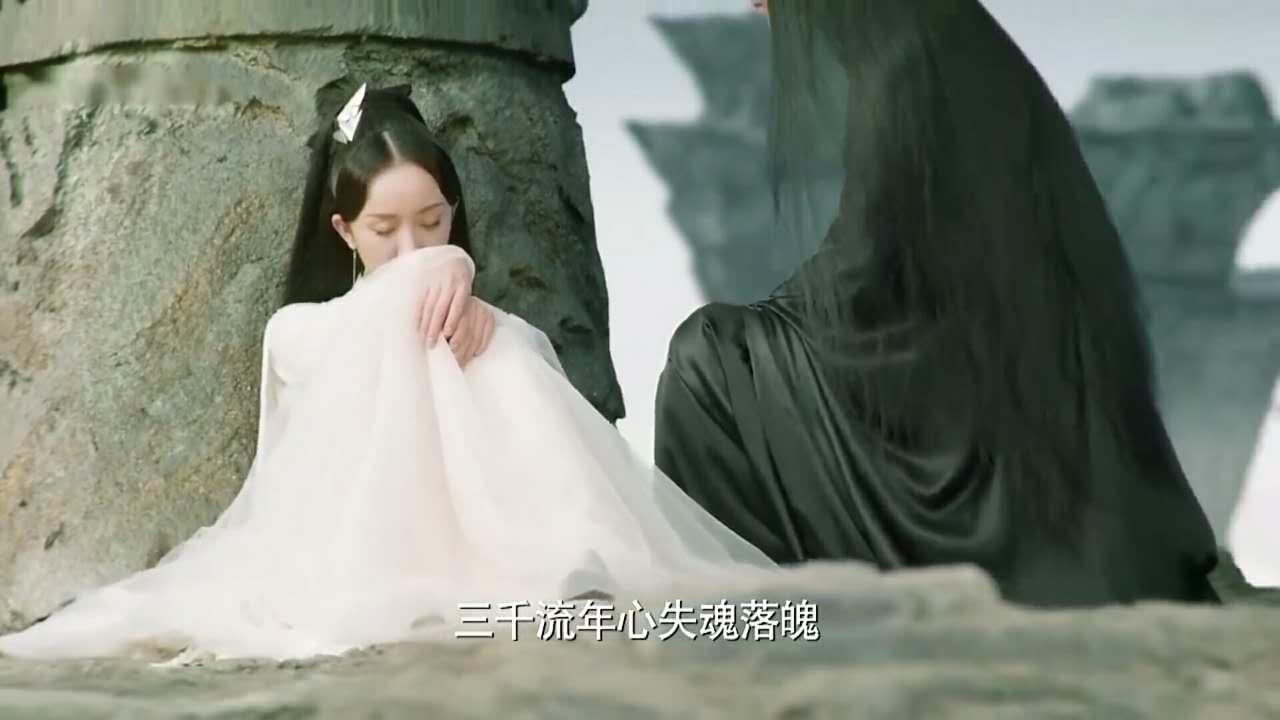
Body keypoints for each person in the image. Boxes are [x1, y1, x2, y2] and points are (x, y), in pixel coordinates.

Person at [0, 84, 776, 664]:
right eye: (385, 229)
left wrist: (462, 277)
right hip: (353, 560)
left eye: (433, 224)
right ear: (343, 230)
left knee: (507, 343)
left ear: (454, 211)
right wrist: (448, 266)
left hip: (496, 551)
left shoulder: (483, 323)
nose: (412, 250)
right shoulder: (300, 332)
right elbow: (357, 348)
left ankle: (560, 567)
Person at [654, 0, 1221, 607]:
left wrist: (764, 324)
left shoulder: (906, 67)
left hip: (952, 381)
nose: (753, 2)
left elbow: (869, 262)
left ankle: (745, 600)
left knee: (706, 355)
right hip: (969, 362)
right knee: (733, 344)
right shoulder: (936, 39)